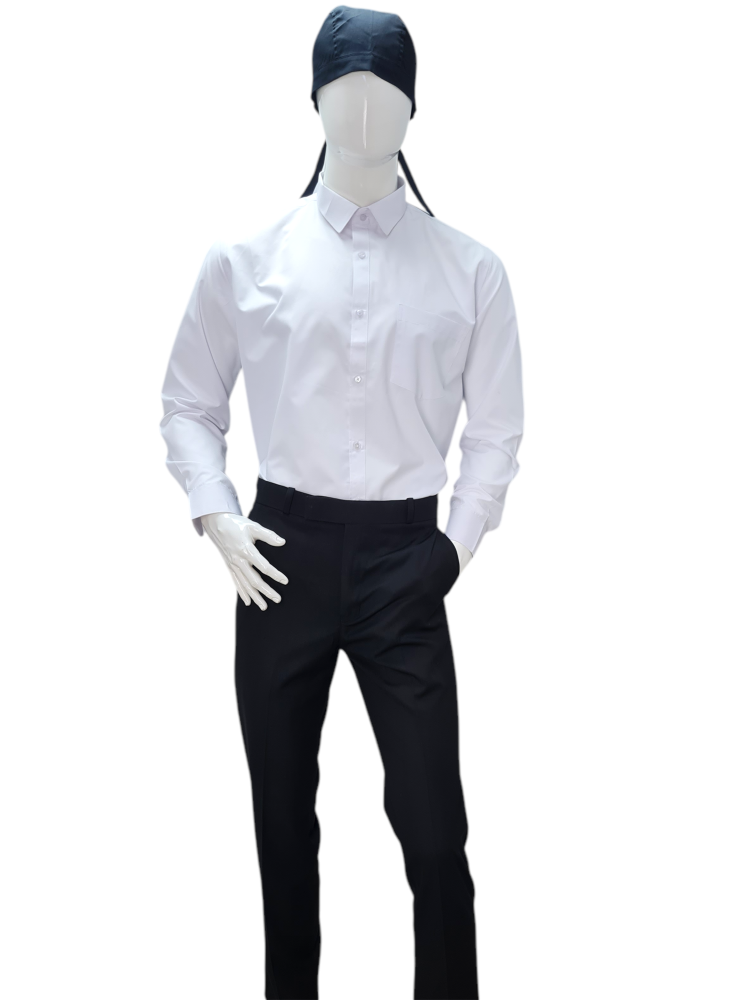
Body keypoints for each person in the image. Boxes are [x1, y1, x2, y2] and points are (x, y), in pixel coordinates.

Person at [160, 7, 524, 998]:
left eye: (385, 94)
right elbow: (188, 402)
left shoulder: (471, 270)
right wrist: (216, 513)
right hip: (278, 555)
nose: (365, 113)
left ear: (414, 107)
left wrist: (451, 551)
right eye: (344, 91)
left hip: (408, 559)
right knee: (282, 823)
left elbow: (495, 431)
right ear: (313, 101)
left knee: (434, 830)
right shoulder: (244, 259)